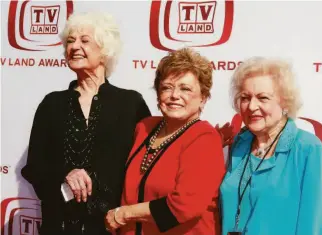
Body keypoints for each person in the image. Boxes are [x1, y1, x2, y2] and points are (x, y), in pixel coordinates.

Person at [21, 12, 151, 235]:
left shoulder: (130, 103)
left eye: (84, 40)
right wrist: (65, 174)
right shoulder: (52, 103)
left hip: (112, 226)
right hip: (58, 226)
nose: (74, 47)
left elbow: (150, 159)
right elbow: (34, 167)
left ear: (105, 50)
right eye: (70, 41)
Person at [104, 48, 225, 235]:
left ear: (203, 98)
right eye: (167, 87)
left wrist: (124, 214)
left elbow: (184, 206)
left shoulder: (204, 138)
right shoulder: (144, 128)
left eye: (185, 88)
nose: (174, 95)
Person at [219, 57, 322, 235]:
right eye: (245, 98)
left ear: (284, 102)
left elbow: (314, 226)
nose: (252, 106)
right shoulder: (239, 145)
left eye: (263, 98)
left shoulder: (308, 149)